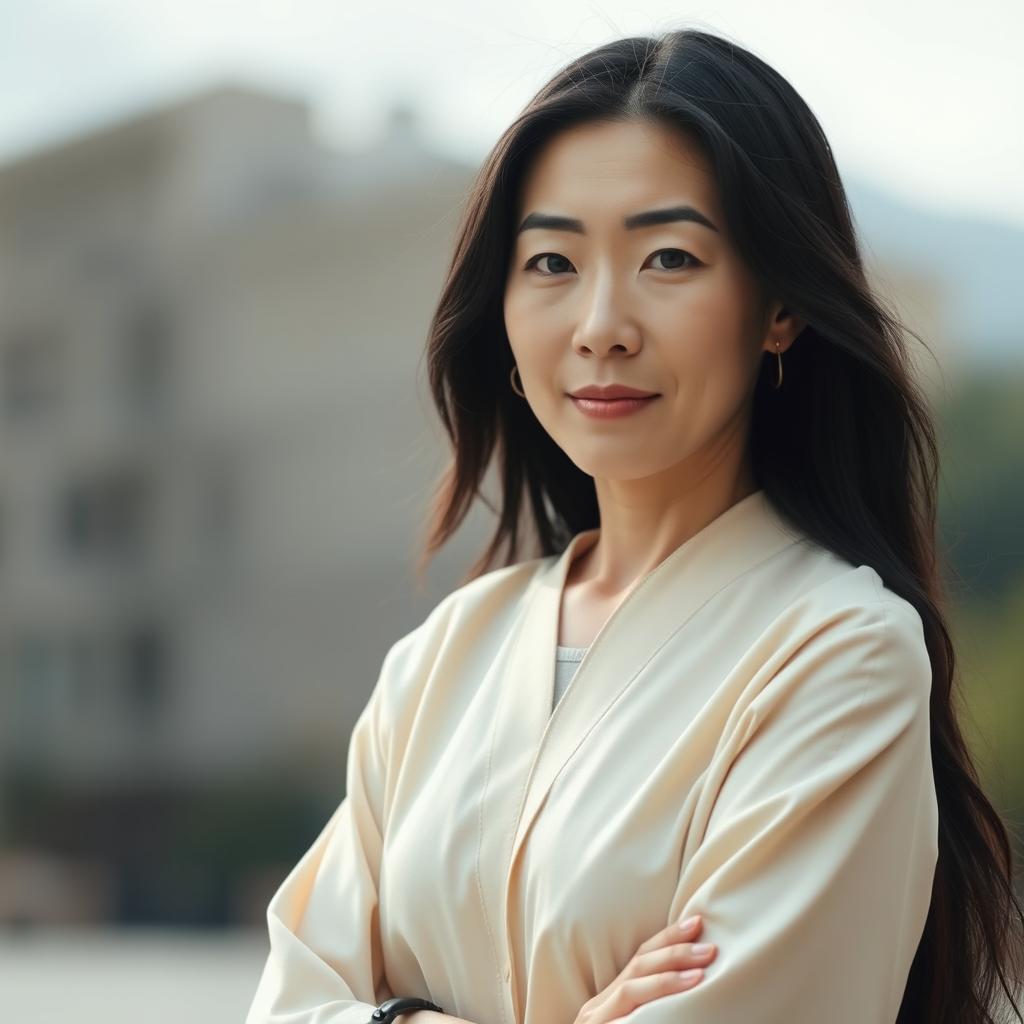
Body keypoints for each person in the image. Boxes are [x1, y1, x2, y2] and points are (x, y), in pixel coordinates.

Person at [246, 27, 1024, 1024]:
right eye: (551, 262)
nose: (601, 323)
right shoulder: (442, 658)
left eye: (667, 256)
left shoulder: (840, 655)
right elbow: (280, 1002)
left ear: (778, 307)